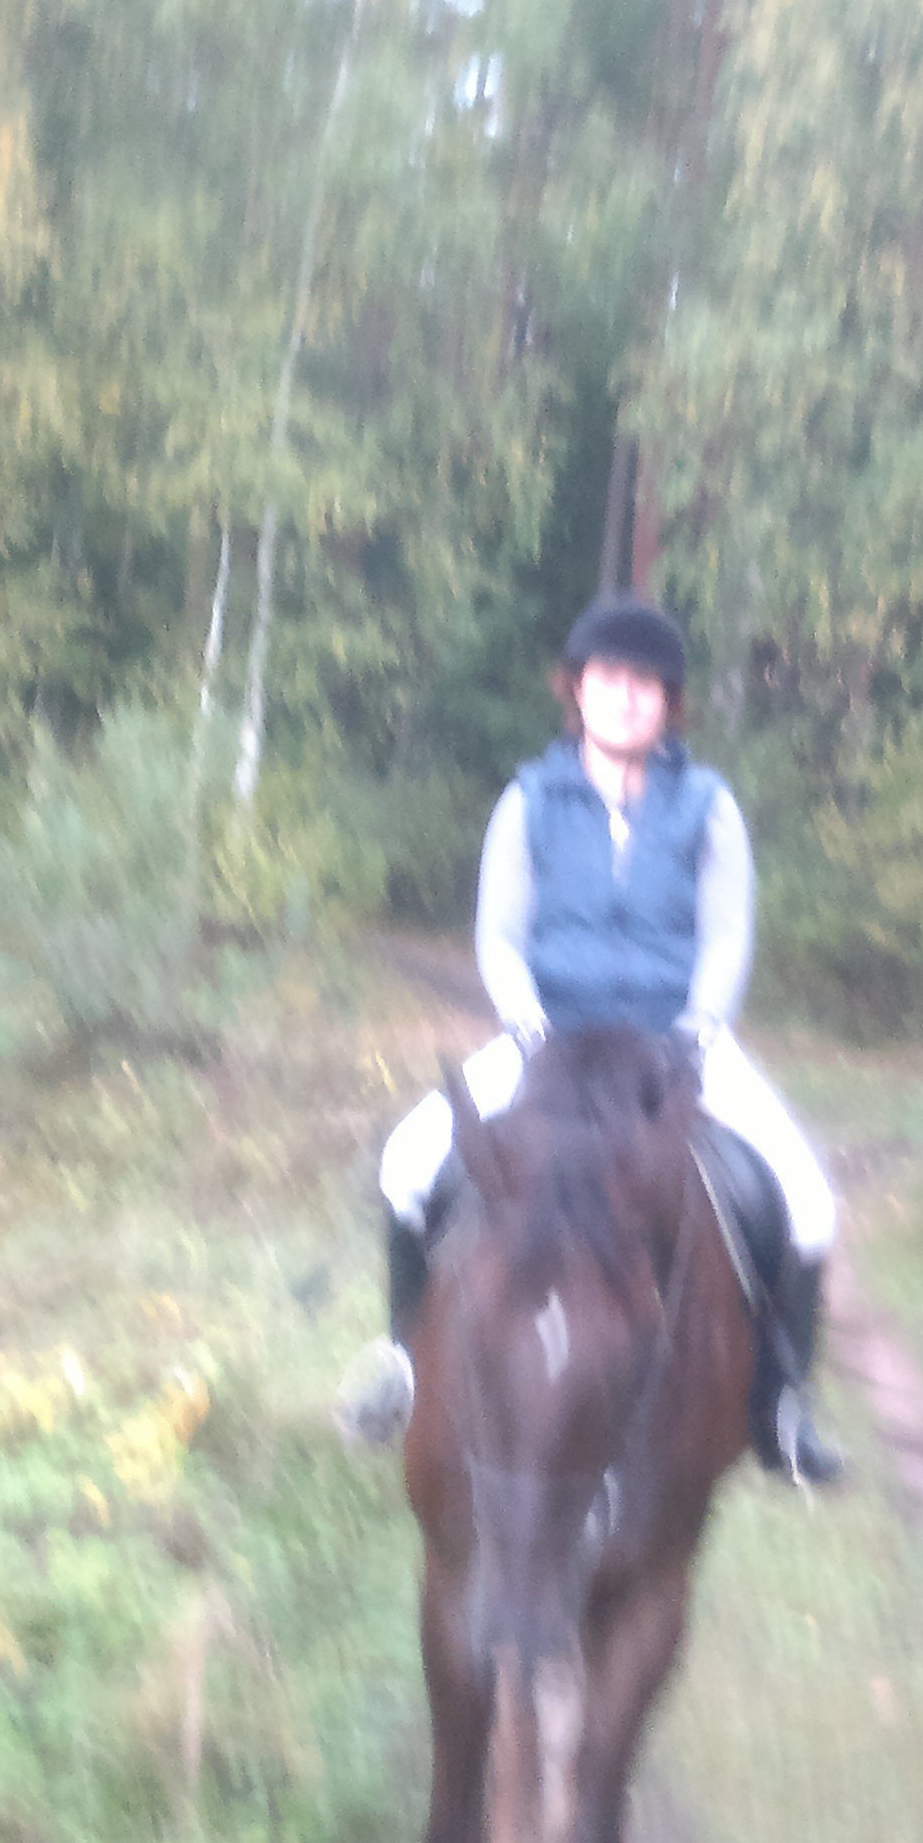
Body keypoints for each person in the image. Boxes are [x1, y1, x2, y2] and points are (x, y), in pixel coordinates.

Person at [343, 594, 845, 1485]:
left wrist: (697, 1031)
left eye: (646, 684)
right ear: (576, 690)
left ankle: (782, 1404)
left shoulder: (709, 807)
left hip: (675, 1042)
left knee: (809, 1204)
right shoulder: (528, 802)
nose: (625, 696)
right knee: (406, 1165)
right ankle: (403, 1364)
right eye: (608, 678)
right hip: (553, 1035)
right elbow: (501, 936)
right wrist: (529, 1024)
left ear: (670, 704)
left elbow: (726, 939)